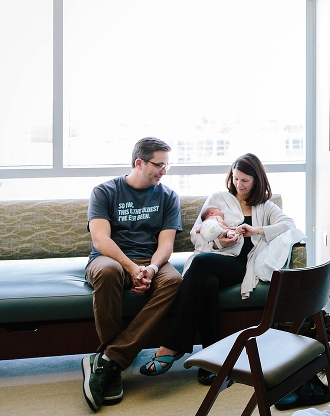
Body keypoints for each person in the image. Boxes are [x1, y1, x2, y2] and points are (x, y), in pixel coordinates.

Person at [139, 153, 296, 385]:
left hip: (241, 265)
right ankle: (212, 360)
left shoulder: (266, 206)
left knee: (202, 266)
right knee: (208, 282)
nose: (238, 185)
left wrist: (257, 231)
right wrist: (218, 241)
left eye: (245, 180)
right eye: (235, 179)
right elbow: (197, 233)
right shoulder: (218, 198)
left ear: (257, 180)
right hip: (213, 259)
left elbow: (289, 226)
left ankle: (173, 344)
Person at [81, 137, 183, 411]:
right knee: (108, 272)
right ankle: (112, 362)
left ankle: (109, 361)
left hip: (149, 261)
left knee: (174, 280)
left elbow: (166, 245)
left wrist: (150, 268)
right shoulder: (104, 191)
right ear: (139, 162)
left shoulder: (168, 196)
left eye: (166, 166)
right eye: (159, 165)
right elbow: (101, 241)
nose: (163, 171)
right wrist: (131, 267)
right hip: (110, 259)